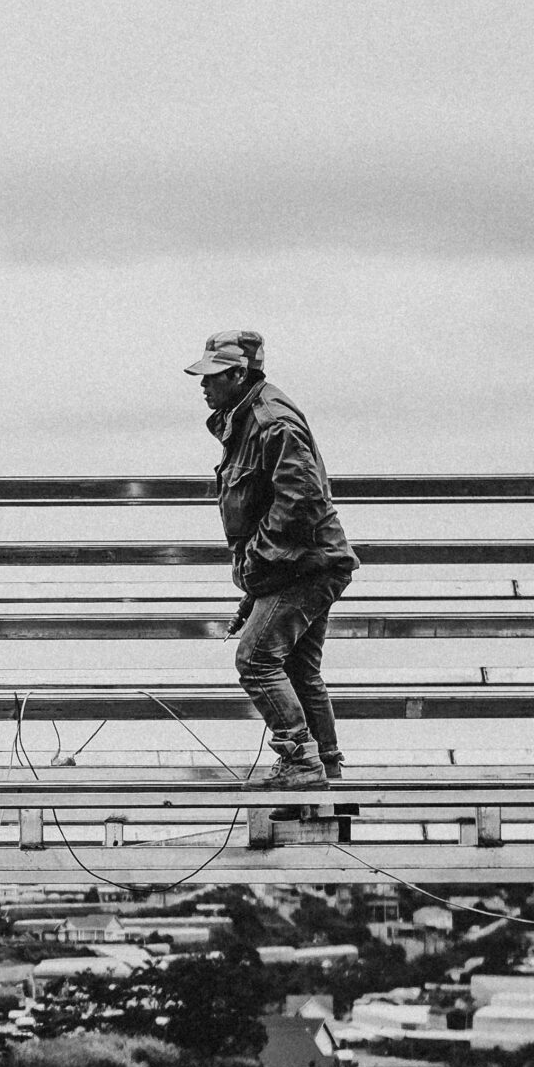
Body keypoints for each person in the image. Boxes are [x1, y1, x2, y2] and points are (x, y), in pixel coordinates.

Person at [190, 329, 359, 808]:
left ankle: (299, 761)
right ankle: (326, 769)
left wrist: (253, 564)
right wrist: (256, 579)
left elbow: (298, 504)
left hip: (306, 565)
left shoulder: (271, 423)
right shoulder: (244, 419)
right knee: (300, 670)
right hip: (302, 564)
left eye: (213, 377)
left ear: (240, 375)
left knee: (256, 660)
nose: (203, 386)